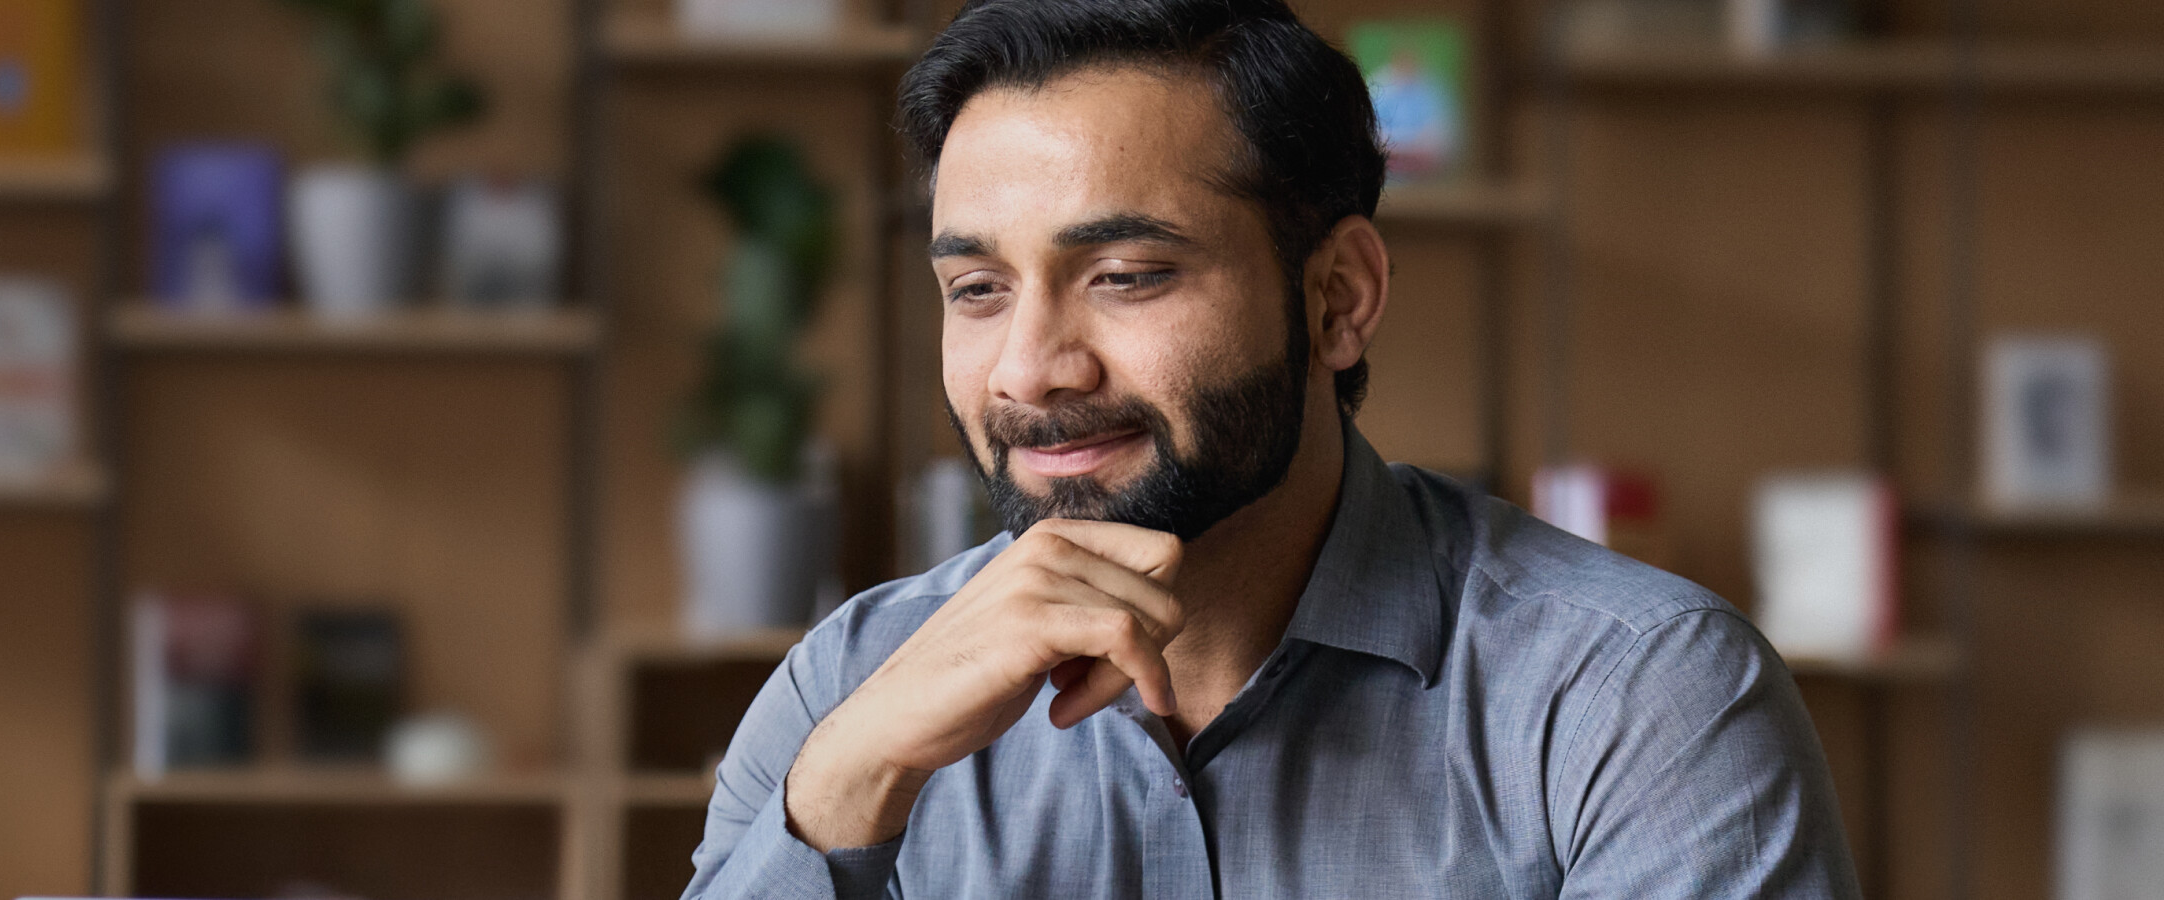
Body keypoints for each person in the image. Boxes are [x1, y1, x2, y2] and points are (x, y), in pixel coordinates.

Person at [681, 0, 1861, 897]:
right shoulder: (853, 688)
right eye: (979, 288)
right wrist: (847, 791)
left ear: (1338, 296)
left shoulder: (1634, 698)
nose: (1032, 367)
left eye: (1127, 276)